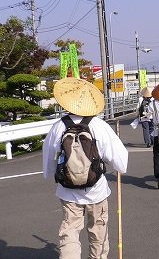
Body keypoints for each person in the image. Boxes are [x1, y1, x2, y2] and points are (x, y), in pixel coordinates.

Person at [43, 77, 128, 259]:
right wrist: (118, 166)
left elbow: (49, 162)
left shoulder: (58, 127)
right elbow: (121, 161)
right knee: (98, 230)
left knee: (70, 232)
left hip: (68, 190)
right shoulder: (99, 125)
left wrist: (53, 173)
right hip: (96, 189)